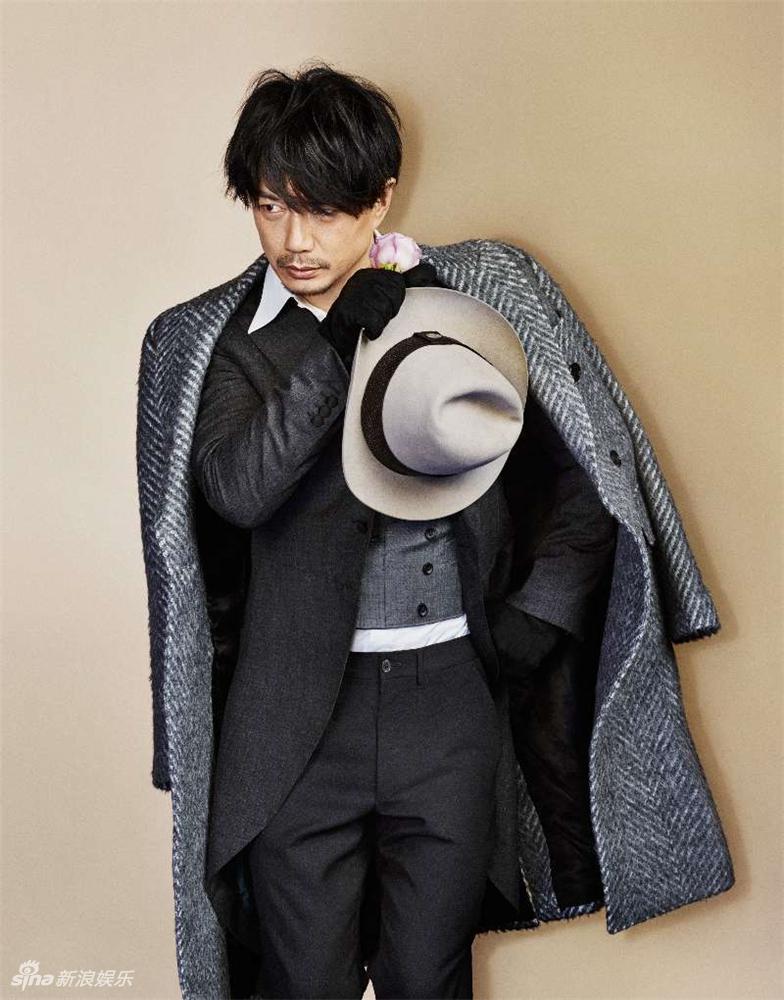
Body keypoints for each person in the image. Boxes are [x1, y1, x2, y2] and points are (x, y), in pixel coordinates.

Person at [188, 63, 617, 999]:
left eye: (322, 210)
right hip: (292, 721)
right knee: (303, 984)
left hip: (448, 705)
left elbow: (591, 484)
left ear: (380, 198)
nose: (294, 240)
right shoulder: (223, 346)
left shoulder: (472, 308)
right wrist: (336, 345)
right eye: (269, 207)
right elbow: (238, 489)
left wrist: (532, 622)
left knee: (431, 981)